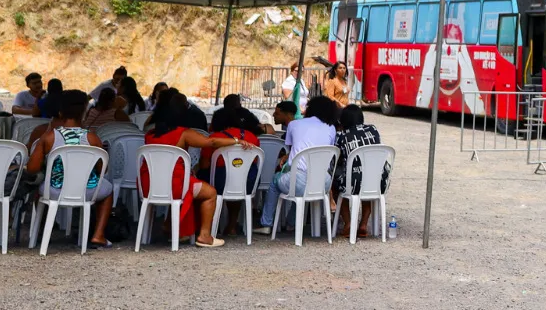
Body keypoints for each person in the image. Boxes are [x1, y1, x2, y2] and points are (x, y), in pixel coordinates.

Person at [140, 99, 248, 249]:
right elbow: (211, 142)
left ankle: (170, 225)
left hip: (149, 183)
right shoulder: (184, 133)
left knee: (189, 184)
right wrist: (236, 140)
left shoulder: (149, 135)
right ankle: (204, 235)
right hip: (175, 184)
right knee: (210, 193)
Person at [23, 92, 115, 249]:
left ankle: (41, 231)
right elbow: (103, 171)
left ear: (60, 113)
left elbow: (32, 169)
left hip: (54, 191)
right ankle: (98, 234)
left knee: (40, 191)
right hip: (87, 191)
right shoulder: (92, 138)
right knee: (108, 190)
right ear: (83, 114)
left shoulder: (50, 137)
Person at [257, 96, 339, 235]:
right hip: (323, 182)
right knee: (300, 184)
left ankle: (267, 223)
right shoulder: (331, 128)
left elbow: (293, 150)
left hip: (298, 180)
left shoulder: (294, 125)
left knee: (279, 181)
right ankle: (291, 223)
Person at [331, 104, 386, 239]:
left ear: (342, 121)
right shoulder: (373, 129)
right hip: (378, 182)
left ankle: (348, 223)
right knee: (365, 179)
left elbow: (337, 160)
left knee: (337, 183)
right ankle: (363, 224)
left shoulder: (343, 136)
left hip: (353, 184)